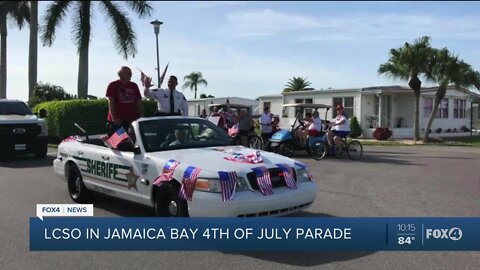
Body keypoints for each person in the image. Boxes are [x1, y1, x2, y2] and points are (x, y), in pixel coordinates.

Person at [106, 66, 143, 136]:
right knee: (118, 143)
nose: (131, 75)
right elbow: (111, 102)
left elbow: (139, 101)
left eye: (131, 74)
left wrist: (141, 115)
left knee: (132, 141)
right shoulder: (113, 85)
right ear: (121, 75)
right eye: (129, 74)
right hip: (118, 121)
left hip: (131, 121)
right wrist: (115, 118)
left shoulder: (134, 86)